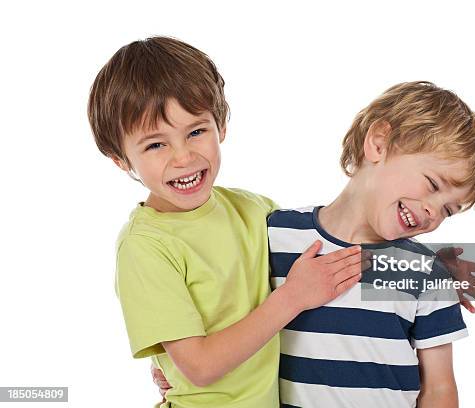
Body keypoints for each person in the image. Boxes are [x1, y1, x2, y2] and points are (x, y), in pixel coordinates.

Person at [154, 81, 475, 407]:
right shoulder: (274, 235)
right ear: (378, 143)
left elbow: (439, 387)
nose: (432, 212)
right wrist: (168, 366)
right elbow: (217, 308)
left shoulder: (425, 273)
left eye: (448, 210)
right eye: (432, 185)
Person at [87, 36, 363, 408]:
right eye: (156, 145)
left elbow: (341, 254)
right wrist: (292, 298)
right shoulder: (145, 245)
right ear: (121, 159)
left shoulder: (253, 209)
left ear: (222, 126)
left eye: (196, 132)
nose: (183, 157)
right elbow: (199, 367)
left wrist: (439, 274)